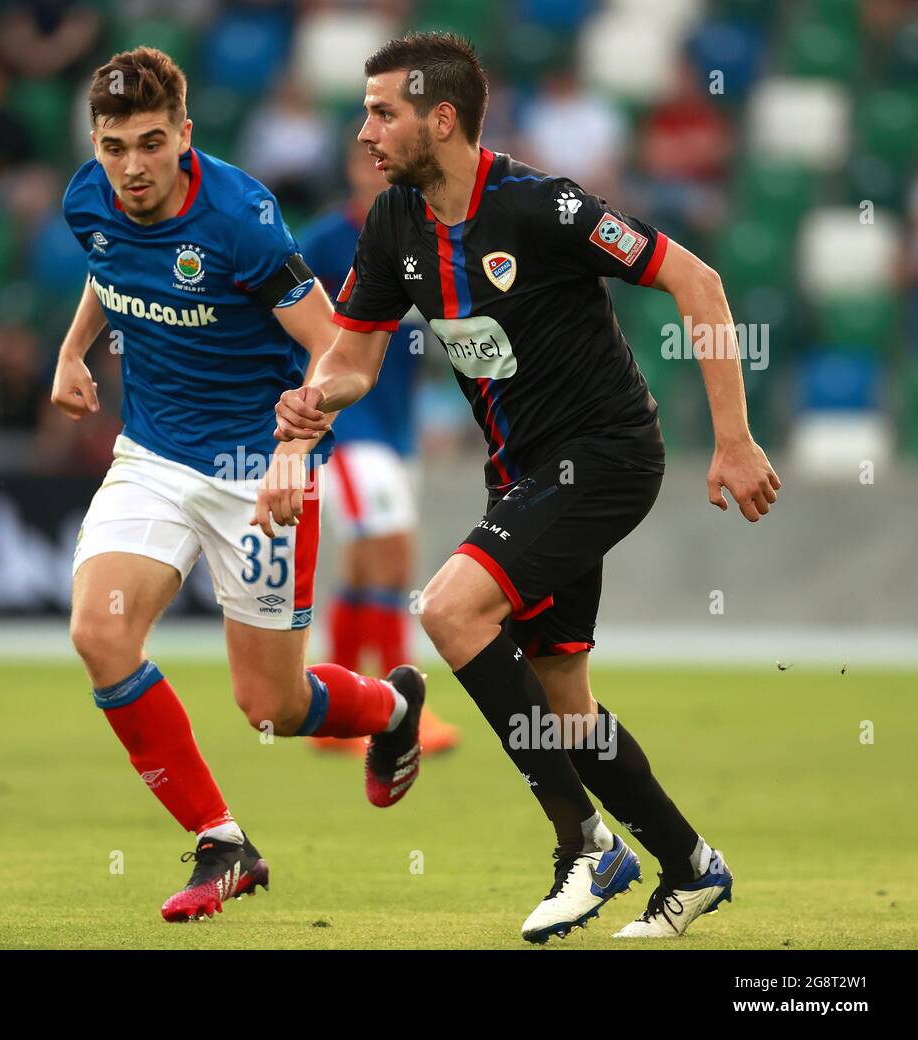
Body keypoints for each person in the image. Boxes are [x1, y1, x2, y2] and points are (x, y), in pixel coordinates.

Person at [267, 32, 780, 942]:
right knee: (563, 707)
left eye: (383, 112)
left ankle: (583, 843)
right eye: (364, 111)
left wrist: (733, 440)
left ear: (443, 117)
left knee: (451, 610)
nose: (364, 132)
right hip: (524, 475)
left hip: (606, 455)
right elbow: (353, 355)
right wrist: (315, 400)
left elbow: (697, 283)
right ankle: (691, 866)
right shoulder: (392, 222)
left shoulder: (546, 207)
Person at [53, 47, 426, 923]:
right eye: (114, 146)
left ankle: (394, 704)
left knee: (274, 706)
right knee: (99, 636)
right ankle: (224, 842)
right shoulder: (85, 198)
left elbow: (335, 346)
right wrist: (73, 351)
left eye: (152, 143)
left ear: (186, 134)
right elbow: (109, 269)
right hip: (150, 457)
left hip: (256, 469)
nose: (133, 167)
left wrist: (297, 448)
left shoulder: (243, 221)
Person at [297, 134, 459, 757]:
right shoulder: (326, 241)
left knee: (370, 564)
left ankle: (337, 709)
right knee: (393, 555)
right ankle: (403, 711)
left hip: (396, 429)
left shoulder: (421, 235)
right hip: (348, 425)